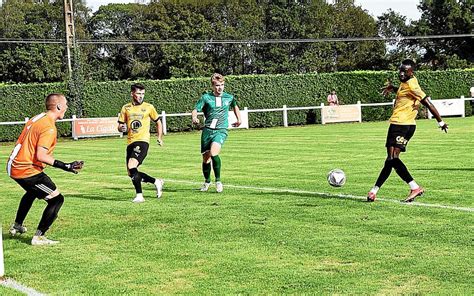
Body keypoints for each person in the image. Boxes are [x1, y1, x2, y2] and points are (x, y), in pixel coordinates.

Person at [7, 93, 84, 246]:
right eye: (66, 104)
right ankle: (39, 237)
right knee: (56, 199)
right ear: (59, 106)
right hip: (26, 170)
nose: (67, 107)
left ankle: (17, 225)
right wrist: (66, 166)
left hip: (15, 165)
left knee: (32, 192)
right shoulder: (49, 127)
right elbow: (41, 155)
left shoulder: (38, 117)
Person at [367, 59, 448, 203]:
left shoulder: (412, 85)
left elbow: (428, 103)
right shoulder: (407, 83)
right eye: (400, 70)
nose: (401, 73)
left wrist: (440, 122)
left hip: (400, 125)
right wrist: (393, 88)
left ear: (412, 72)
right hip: (406, 125)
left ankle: (415, 187)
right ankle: (374, 191)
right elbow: (404, 93)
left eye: (405, 71)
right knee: (390, 160)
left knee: (392, 159)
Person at [191, 73, 241, 193]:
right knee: (206, 158)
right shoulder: (206, 98)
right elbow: (195, 109)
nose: (220, 88)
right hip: (207, 131)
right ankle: (207, 181)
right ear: (213, 86)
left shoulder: (229, 97)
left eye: (222, 85)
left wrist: (239, 119)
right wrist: (194, 117)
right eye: (217, 85)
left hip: (221, 130)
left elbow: (235, 106)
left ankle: (218, 181)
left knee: (214, 152)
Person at [118, 83, 164, 203]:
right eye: (138, 93)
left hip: (143, 141)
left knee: (132, 164)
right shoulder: (126, 108)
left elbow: (158, 122)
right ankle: (156, 181)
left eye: (143, 94)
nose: (141, 96)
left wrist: (159, 137)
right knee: (131, 172)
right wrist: (121, 128)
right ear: (132, 93)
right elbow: (120, 125)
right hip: (130, 142)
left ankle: (139, 195)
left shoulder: (149, 107)